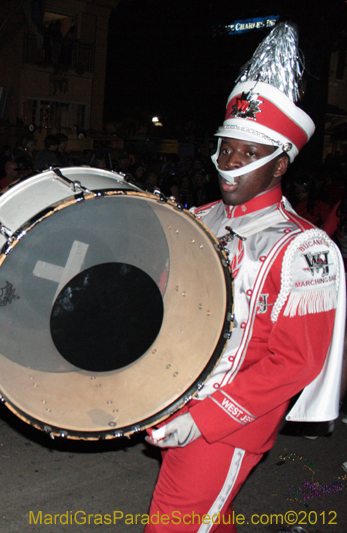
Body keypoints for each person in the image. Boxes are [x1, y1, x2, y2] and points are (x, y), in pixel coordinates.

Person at [144, 23, 345, 532]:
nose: (230, 163)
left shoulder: (304, 247)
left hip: (228, 424)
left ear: (279, 166)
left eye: (249, 154)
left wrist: (204, 419)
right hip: (176, 397)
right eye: (226, 149)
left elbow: (295, 362)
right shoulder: (198, 219)